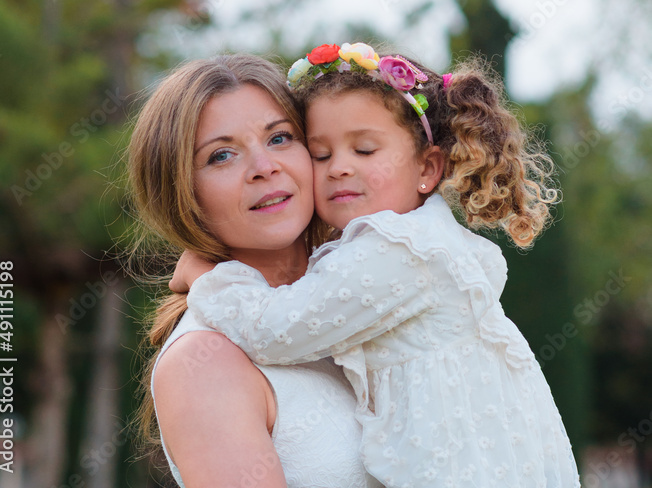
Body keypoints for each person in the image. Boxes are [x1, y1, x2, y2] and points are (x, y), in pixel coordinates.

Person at [173, 43, 582, 488]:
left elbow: (276, 328)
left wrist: (210, 279)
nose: (339, 169)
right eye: (322, 154)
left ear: (428, 168)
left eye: (364, 150)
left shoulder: (401, 250)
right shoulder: (203, 360)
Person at [127, 53, 383, 488]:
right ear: (181, 194)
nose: (265, 167)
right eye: (222, 155)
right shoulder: (203, 362)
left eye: (280, 138)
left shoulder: (369, 294)